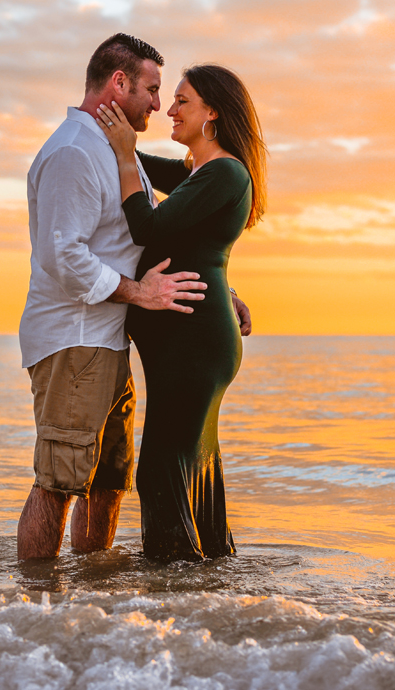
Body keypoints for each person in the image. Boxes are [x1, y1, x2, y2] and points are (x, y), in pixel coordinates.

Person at [16, 34, 252, 560]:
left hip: (109, 339)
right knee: (58, 481)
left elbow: (180, 236)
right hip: (75, 339)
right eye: (151, 89)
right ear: (118, 83)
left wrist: (220, 288)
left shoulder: (122, 156)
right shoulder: (77, 153)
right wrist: (139, 293)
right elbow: (64, 258)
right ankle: (33, 612)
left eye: (172, 96)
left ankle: (95, 597)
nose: (158, 104)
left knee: (108, 483)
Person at [94, 63, 267, 561]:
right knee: (188, 462)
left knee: (161, 469)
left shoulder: (226, 172)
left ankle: (179, 597)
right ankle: (209, 583)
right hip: (189, 337)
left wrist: (126, 155)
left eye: (182, 101)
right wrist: (115, 137)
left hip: (195, 342)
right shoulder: (199, 172)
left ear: (212, 112)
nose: (169, 110)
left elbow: (147, 226)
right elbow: (147, 172)